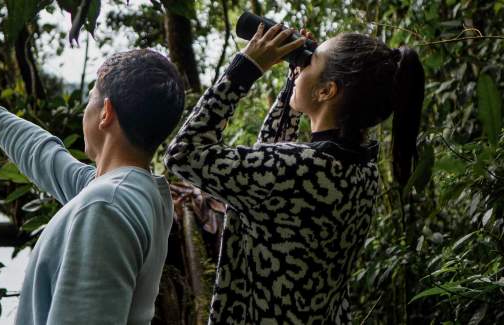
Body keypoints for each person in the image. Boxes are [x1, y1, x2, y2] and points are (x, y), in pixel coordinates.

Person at [164, 22, 424, 324]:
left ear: (326, 90)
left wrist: (244, 70)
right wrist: (294, 81)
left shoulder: (298, 167)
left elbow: (182, 153)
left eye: (309, 61)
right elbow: (271, 159)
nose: (301, 66)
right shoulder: (362, 168)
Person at [0, 49, 185, 325]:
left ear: (105, 113)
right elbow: (45, 155)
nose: (85, 109)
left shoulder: (107, 206)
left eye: (90, 99)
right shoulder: (134, 194)